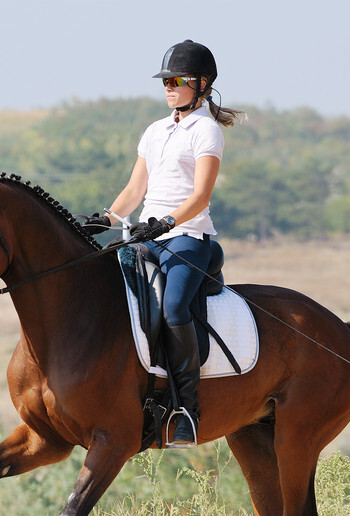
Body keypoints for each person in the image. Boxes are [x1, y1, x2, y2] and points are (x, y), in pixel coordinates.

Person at [104, 39, 245, 448]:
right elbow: (135, 189)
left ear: (202, 84)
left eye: (177, 80)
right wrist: (108, 218)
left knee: (174, 307)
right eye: (165, 80)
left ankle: (187, 408)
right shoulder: (154, 131)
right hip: (146, 238)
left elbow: (200, 196)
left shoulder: (206, 131)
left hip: (187, 239)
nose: (168, 86)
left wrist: (164, 221)